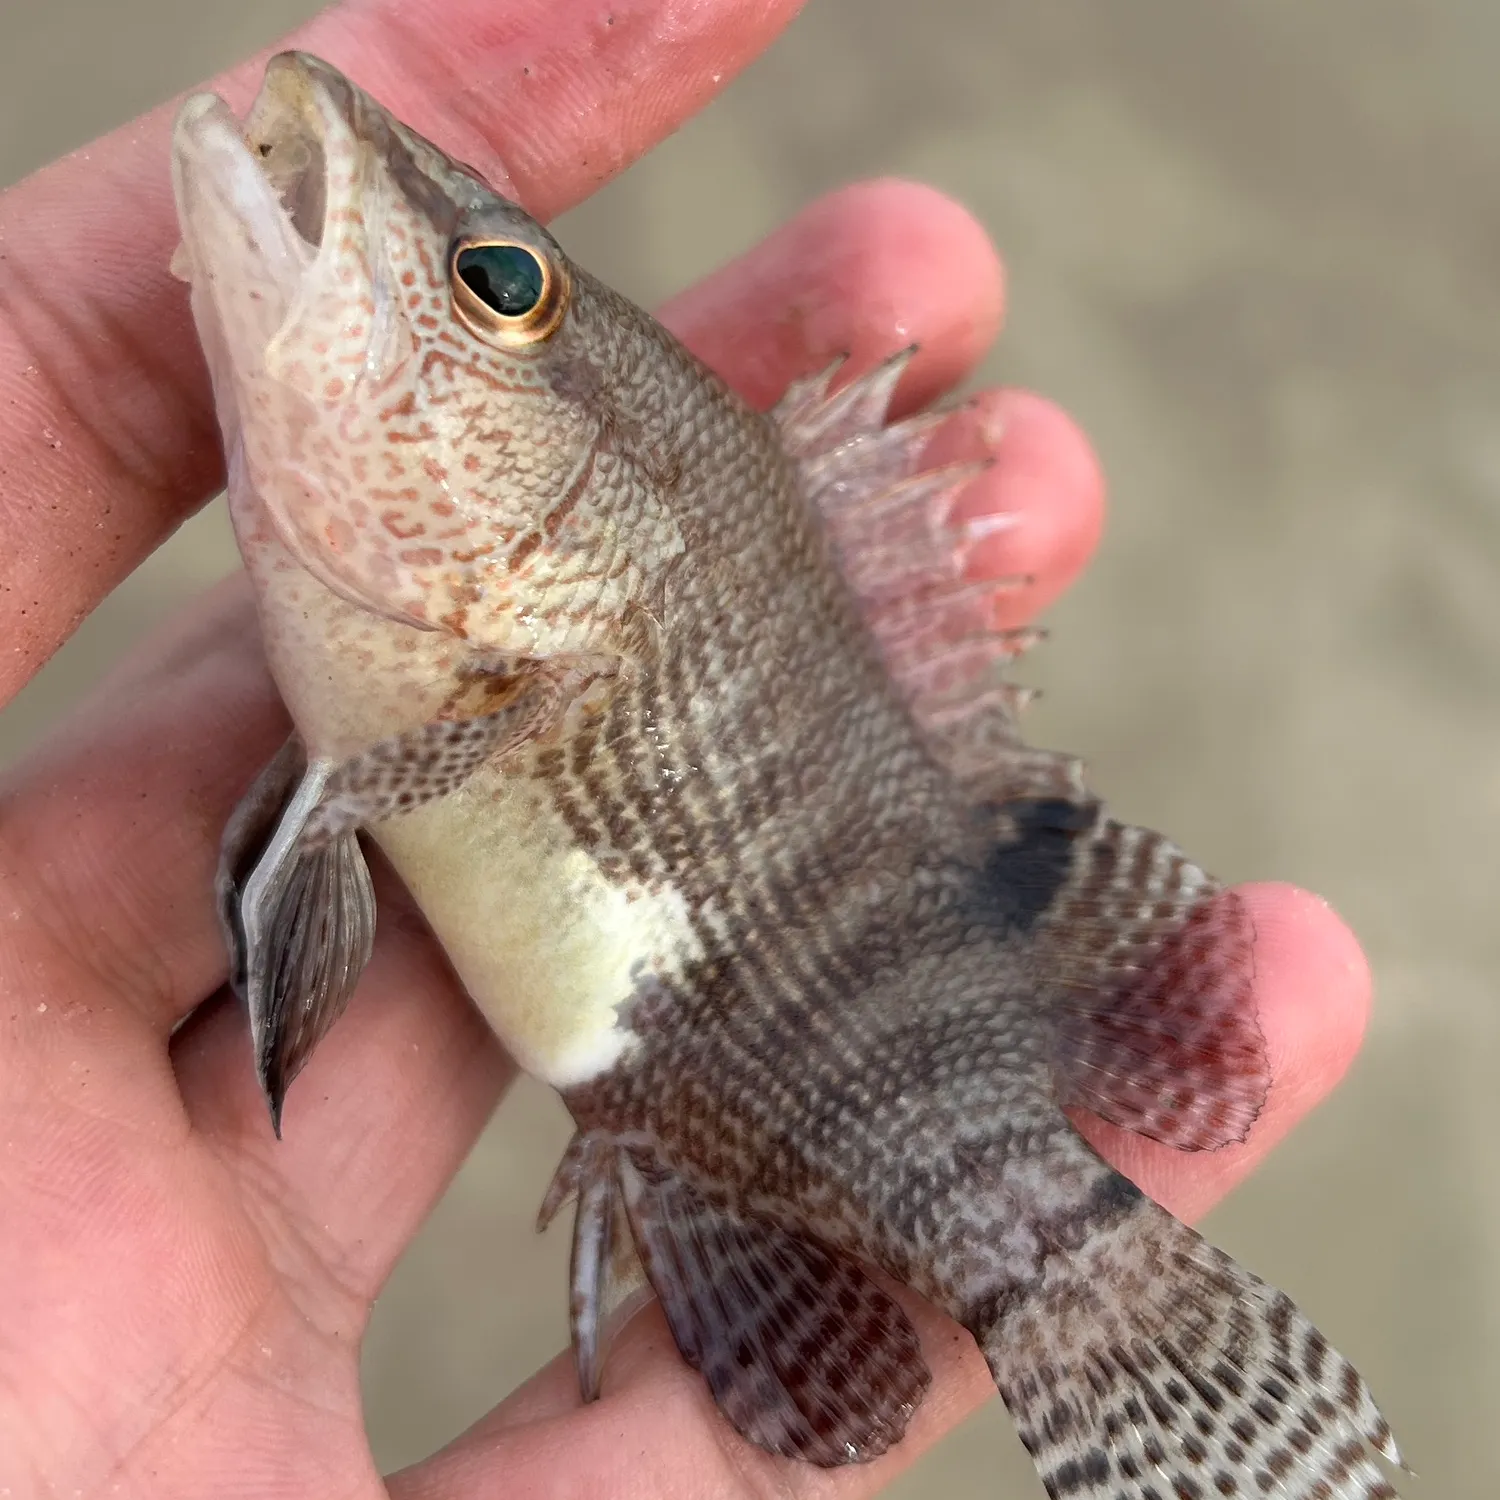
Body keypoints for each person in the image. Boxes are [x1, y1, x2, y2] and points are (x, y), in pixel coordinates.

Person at [0, 2, 1373, 1495]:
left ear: (585, 493)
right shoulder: (440, 636)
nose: (351, 177)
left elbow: (331, 836)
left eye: (493, 287)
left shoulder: (465, 645)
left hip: (826, 1049)